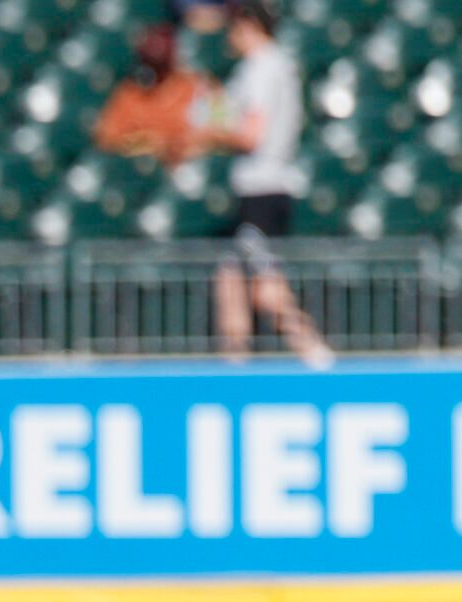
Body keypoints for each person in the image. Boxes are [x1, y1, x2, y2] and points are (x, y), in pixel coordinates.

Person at [194, 1, 328, 364]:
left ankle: (313, 352)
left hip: (262, 187)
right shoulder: (271, 66)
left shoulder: (261, 67)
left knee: (266, 285)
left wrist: (209, 130)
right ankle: (234, 359)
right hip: (264, 186)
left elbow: (251, 133)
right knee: (229, 275)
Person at [93, 24, 208, 166]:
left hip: (190, 168)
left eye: (161, 66)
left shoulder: (197, 87)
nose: (156, 72)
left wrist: (177, 144)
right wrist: (147, 142)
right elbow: (106, 139)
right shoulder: (130, 93)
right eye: (150, 64)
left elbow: (219, 130)